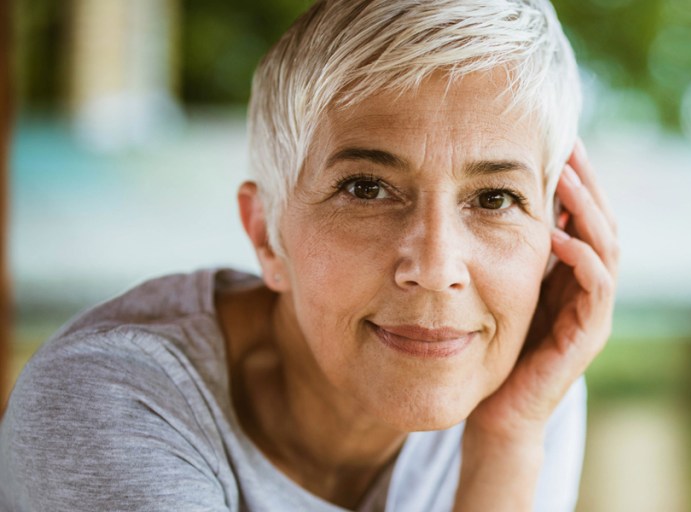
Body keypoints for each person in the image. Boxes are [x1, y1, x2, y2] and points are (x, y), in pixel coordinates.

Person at [0, 0, 618, 510]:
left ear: (554, 239)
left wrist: (507, 439)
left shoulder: (524, 379)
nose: (435, 268)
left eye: (494, 198)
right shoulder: (110, 408)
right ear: (267, 234)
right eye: (366, 188)